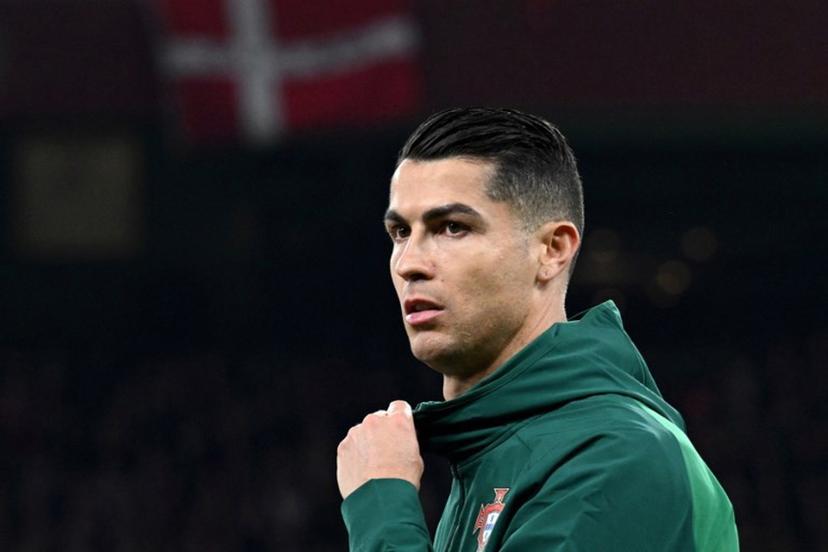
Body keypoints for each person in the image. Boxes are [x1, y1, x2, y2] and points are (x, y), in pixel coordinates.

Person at [336, 107, 738, 551]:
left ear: (552, 249)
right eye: (400, 232)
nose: (409, 263)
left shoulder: (615, 456)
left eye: (452, 227)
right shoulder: (494, 450)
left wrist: (381, 510)